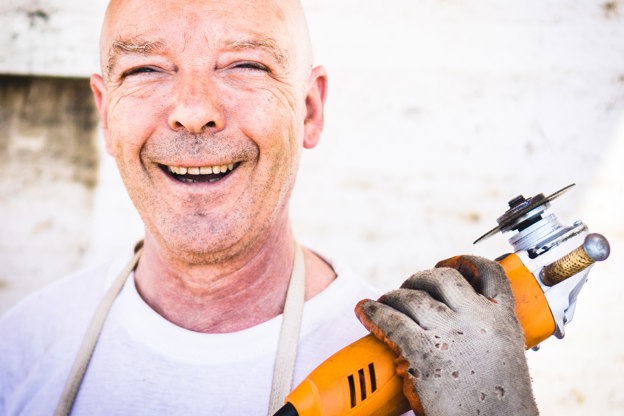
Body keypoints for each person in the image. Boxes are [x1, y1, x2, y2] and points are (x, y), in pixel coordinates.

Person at [0, 0, 538, 415]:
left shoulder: (416, 375)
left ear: (309, 109)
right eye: (145, 70)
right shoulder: (23, 347)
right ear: (105, 115)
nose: (193, 111)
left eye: (245, 65)